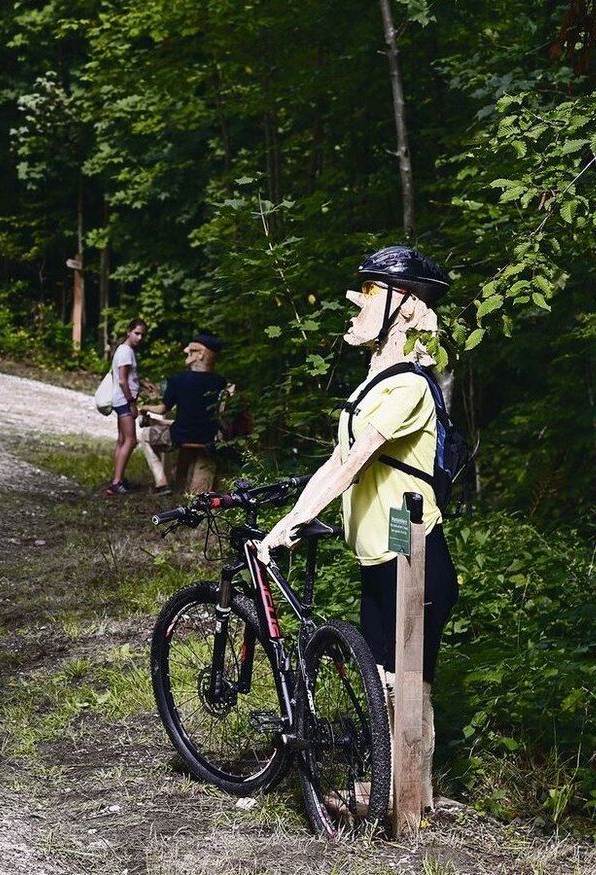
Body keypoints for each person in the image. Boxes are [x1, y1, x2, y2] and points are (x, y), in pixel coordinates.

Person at [257, 244, 459, 811]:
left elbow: (352, 465)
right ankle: (395, 791)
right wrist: (290, 519)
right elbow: (336, 459)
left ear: (405, 306)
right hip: (385, 557)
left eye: (371, 293)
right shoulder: (378, 382)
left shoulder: (408, 386)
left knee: (406, 684)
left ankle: (409, 805)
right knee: (388, 683)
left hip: (415, 557)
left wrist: (295, 523)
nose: (358, 302)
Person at [161, 333, 228, 496]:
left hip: (181, 436)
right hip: (208, 437)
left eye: (191, 350)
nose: (186, 352)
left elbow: (164, 408)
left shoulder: (177, 380)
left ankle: (161, 481)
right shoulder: (220, 382)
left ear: (201, 354)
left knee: (149, 435)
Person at [105, 319, 148, 496]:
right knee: (130, 440)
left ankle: (118, 478)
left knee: (122, 440)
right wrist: (132, 402)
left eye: (142, 335)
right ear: (128, 331)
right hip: (124, 401)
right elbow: (122, 380)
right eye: (137, 333)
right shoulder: (125, 351)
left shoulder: (124, 350)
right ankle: (116, 482)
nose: (139, 337)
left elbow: (128, 377)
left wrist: (143, 384)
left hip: (121, 399)